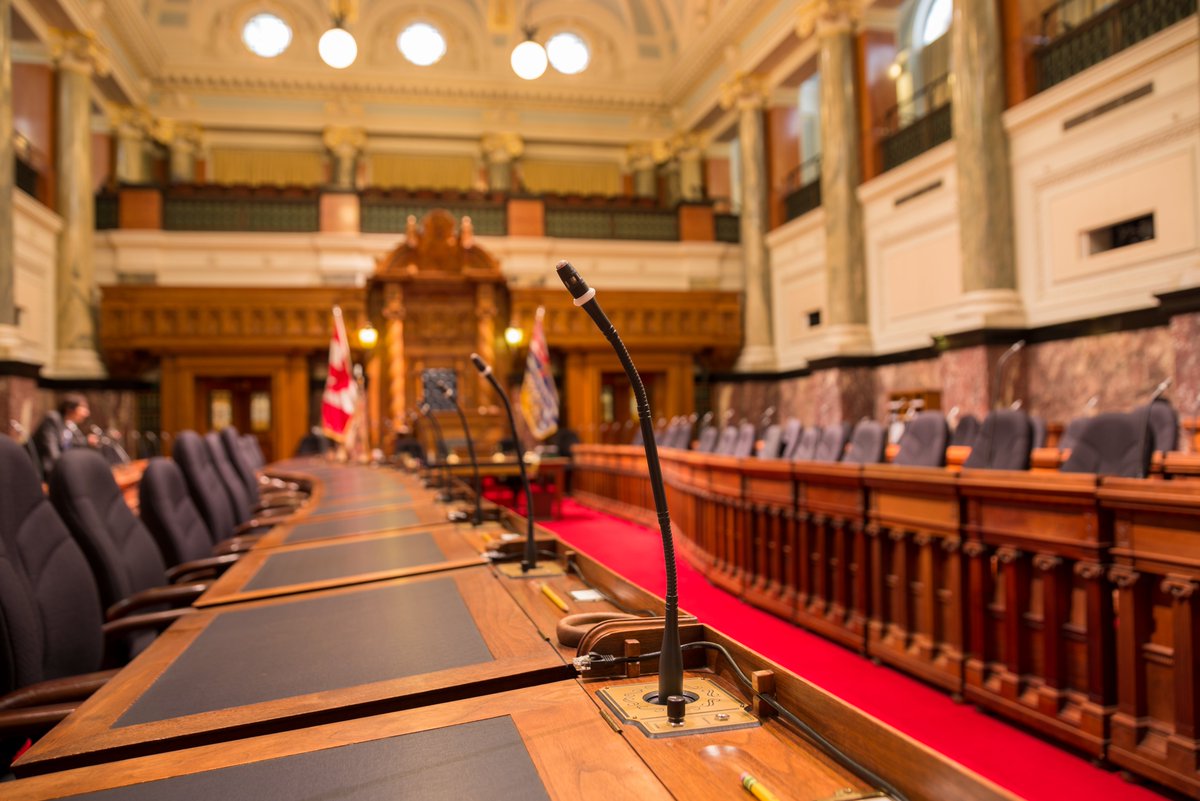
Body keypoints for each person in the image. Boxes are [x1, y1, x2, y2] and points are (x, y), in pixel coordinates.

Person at [32, 394, 97, 477]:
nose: (87, 413)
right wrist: (67, 468)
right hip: (41, 469)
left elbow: (71, 442)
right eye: (84, 408)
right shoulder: (53, 419)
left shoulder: (70, 424)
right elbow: (51, 450)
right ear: (70, 408)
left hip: (59, 467)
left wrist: (86, 441)